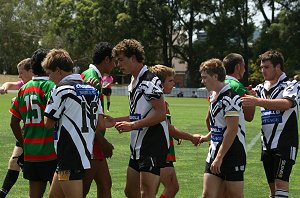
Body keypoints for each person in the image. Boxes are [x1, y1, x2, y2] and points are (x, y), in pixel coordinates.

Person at [42, 49, 113, 198]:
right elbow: (100, 125)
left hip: (68, 156)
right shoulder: (92, 90)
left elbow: (48, 123)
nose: (49, 78)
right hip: (84, 155)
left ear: (59, 71)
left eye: (49, 73)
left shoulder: (61, 90)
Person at [112, 39, 169, 198]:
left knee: (147, 192)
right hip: (137, 144)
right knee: (130, 191)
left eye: (121, 60)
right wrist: (115, 120)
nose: (118, 64)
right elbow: (139, 114)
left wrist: (133, 125)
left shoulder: (149, 80)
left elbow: (161, 113)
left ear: (133, 58)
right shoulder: (134, 80)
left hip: (152, 142)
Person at [241, 50, 299, 198]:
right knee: (273, 189)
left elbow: (287, 103)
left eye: (266, 67)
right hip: (266, 144)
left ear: (278, 67)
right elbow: (250, 115)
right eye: (261, 67)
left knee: (281, 184)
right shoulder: (260, 88)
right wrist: (250, 98)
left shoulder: (291, 84)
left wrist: (257, 101)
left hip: (285, 142)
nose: (262, 70)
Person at [9, 49, 57, 198]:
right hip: (51, 152)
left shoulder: (23, 89)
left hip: (31, 154)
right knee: (59, 194)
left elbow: (14, 122)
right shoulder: (50, 86)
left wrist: (24, 144)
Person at [149, 65, 201, 198]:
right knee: (172, 187)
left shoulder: (157, 100)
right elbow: (169, 128)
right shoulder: (160, 102)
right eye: (170, 81)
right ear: (160, 83)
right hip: (159, 150)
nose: (174, 84)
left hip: (157, 148)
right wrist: (191, 137)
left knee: (152, 190)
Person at [199, 58, 246, 198]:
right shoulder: (214, 95)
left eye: (205, 78)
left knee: (234, 196)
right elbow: (219, 126)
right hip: (214, 152)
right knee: (208, 195)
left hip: (232, 154)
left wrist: (219, 158)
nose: (202, 81)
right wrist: (207, 137)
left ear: (215, 76)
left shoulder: (230, 97)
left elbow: (232, 130)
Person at [81, 42, 115, 198]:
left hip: (94, 141)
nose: (116, 64)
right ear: (107, 59)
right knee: (81, 189)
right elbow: (86, 118)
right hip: (91, 142)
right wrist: (102, 141)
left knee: (105, 184)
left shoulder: (90, 75)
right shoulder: (92, 78)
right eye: (115, 60)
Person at [0, 58, 32, 198]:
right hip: (25, 130)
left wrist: (19, 101)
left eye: (21, 73)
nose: (19, 76)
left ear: (31, 71)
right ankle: (3, 193)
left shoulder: (40, 85)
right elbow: (10, 83)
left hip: (39, 131)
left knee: (38, 168)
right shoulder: (24, 84)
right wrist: (5, 87)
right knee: (14, 161)